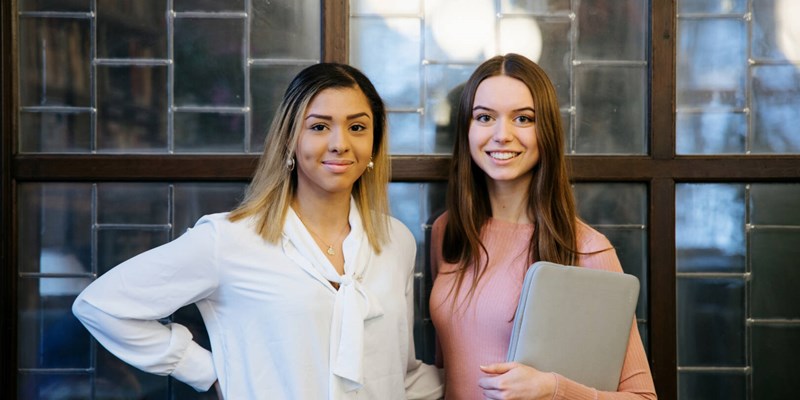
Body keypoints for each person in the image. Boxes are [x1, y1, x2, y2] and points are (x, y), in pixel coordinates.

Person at [73, 63, 444, 400]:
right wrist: (211, 372)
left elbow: (399, 372)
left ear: (374, 143)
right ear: (289, 140)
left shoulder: (395, 240)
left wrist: (486, 377)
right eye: (318, 127)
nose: (340, 143)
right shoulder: (230, 240)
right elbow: (101, 306)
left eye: (357, 127)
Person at [428, 53, 657, 399]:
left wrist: (552, 388)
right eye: (485, 117)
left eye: (523, 118)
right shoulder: (448, 231)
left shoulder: (587, 249)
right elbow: (448, 371)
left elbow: (642, 397)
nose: (502, 135)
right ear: (467, 129)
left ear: (545, 130)